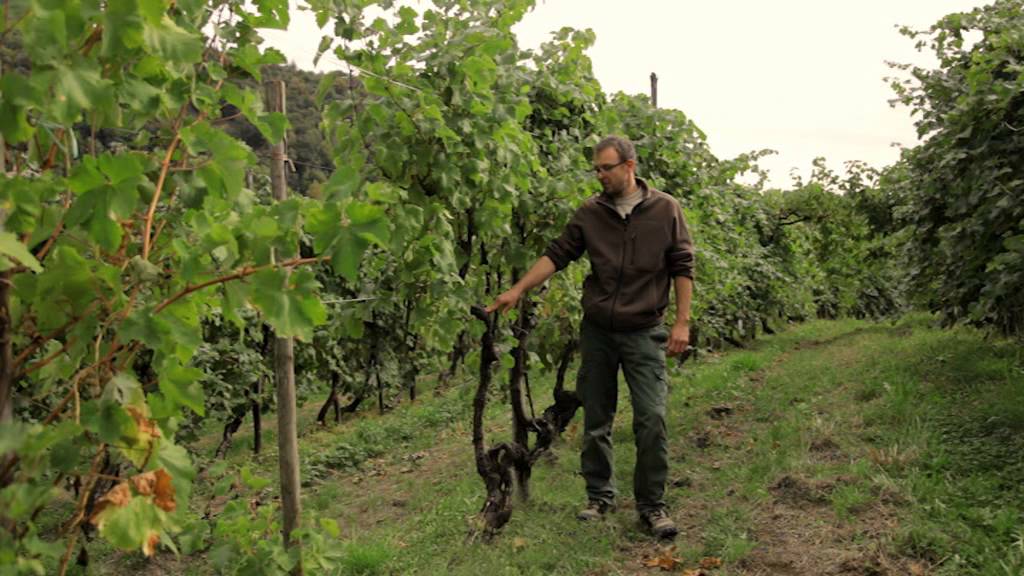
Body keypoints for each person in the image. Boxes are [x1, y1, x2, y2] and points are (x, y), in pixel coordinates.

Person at [487, 135, 695, 540]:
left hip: (644, 330)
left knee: (651, 418)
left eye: (606, 168)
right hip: (598, 331)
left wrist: (682, 322)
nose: (599, 175)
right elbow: (557, 254)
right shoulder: (590, 213)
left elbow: (682, 266)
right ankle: (599, 496)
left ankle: (652, 506)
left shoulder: (665, 209)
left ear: (629, 166)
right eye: (596, 169)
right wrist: (518, 289)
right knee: (596, 420)